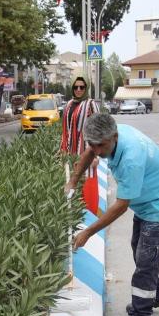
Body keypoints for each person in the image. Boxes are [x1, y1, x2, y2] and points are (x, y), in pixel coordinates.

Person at [68, 114, 159, 316]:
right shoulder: (106, 136)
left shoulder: (132, 157)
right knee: (139, 251)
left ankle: (140, 315)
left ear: (114, 137)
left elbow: (121, 206)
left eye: (101, 146)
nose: (97, 151)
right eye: (93, 144)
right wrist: (73, 180)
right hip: (145, 204)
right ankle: (156, 295)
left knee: (146, 259)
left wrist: (88, 232)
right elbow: (90, 151)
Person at [61, 76, 100, 214]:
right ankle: (75, 219)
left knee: (87, 188)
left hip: (86, 153)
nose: (78, 90)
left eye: (81, 87)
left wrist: (96, 155)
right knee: (73, 186)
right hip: (70, 154)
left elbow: (98, 128)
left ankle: (90, 221)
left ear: (86, 88)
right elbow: (65, 130)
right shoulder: (69, 104)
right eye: (76, 87)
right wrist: (62, 149)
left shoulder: (90, 103)